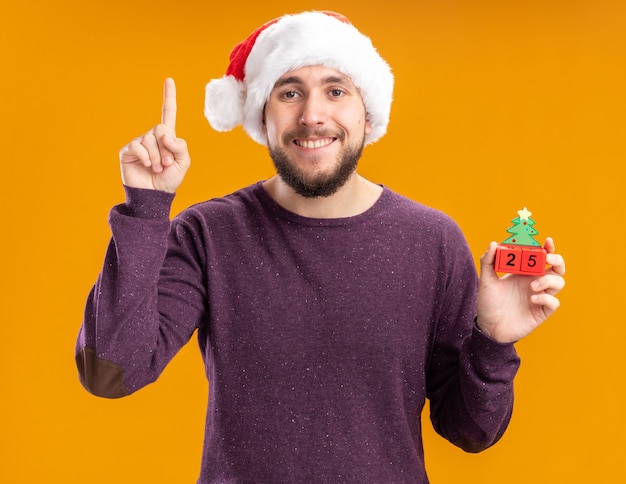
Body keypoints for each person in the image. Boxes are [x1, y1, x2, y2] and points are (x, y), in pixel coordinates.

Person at [75, 10, 566, 483]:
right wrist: (146, 209)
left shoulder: (432, 241)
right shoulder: (209, 233)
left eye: (336, 91)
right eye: (290, 92)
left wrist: (493, 340)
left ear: (368, 116)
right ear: (261, 117)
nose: (312, 115)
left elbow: (472, 431)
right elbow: (111, 372)